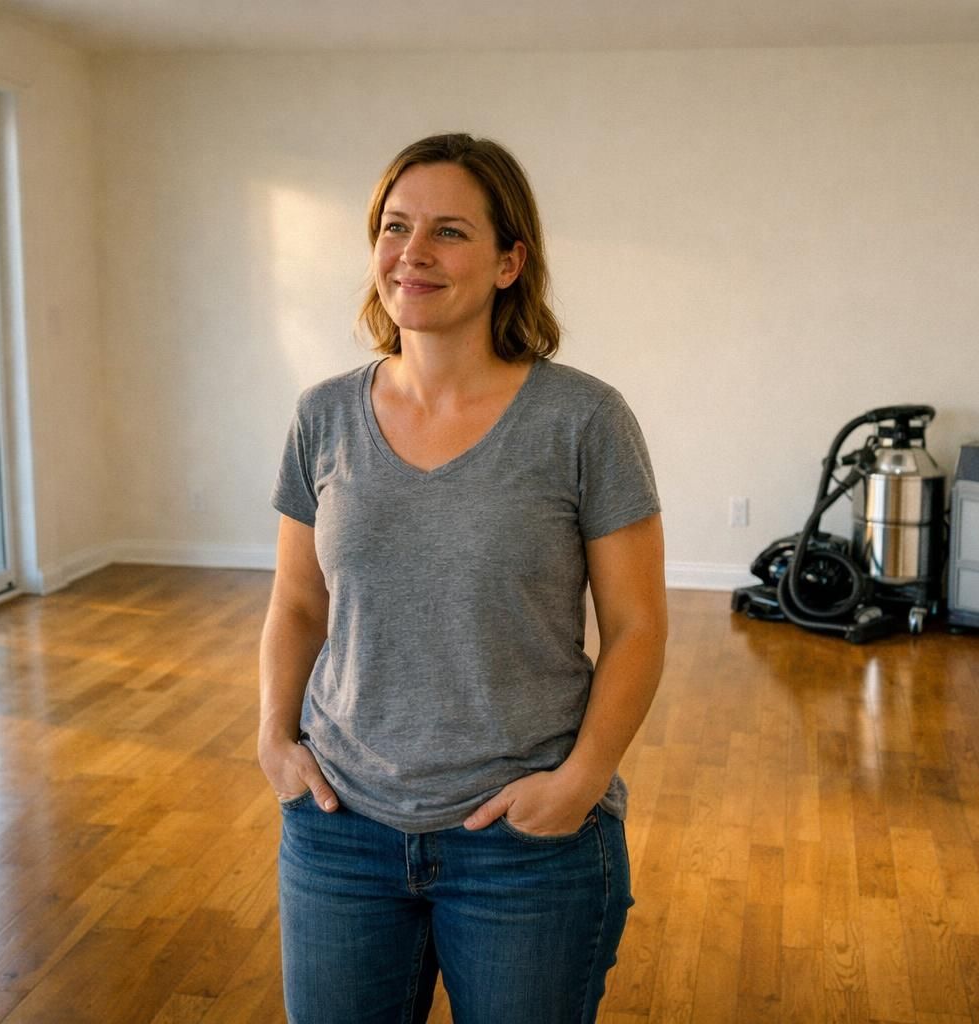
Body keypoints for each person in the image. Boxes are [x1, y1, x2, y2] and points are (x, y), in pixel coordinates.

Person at [259, 132, 667, 1024]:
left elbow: (637, 625)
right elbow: (298, 601)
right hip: (340, 830)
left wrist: (584, 778)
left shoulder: (583, 419)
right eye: (395, 226)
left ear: (509, 261)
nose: (413, 253)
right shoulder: (322, 414)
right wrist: (272, 739)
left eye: (448, 232)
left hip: (524, 841)